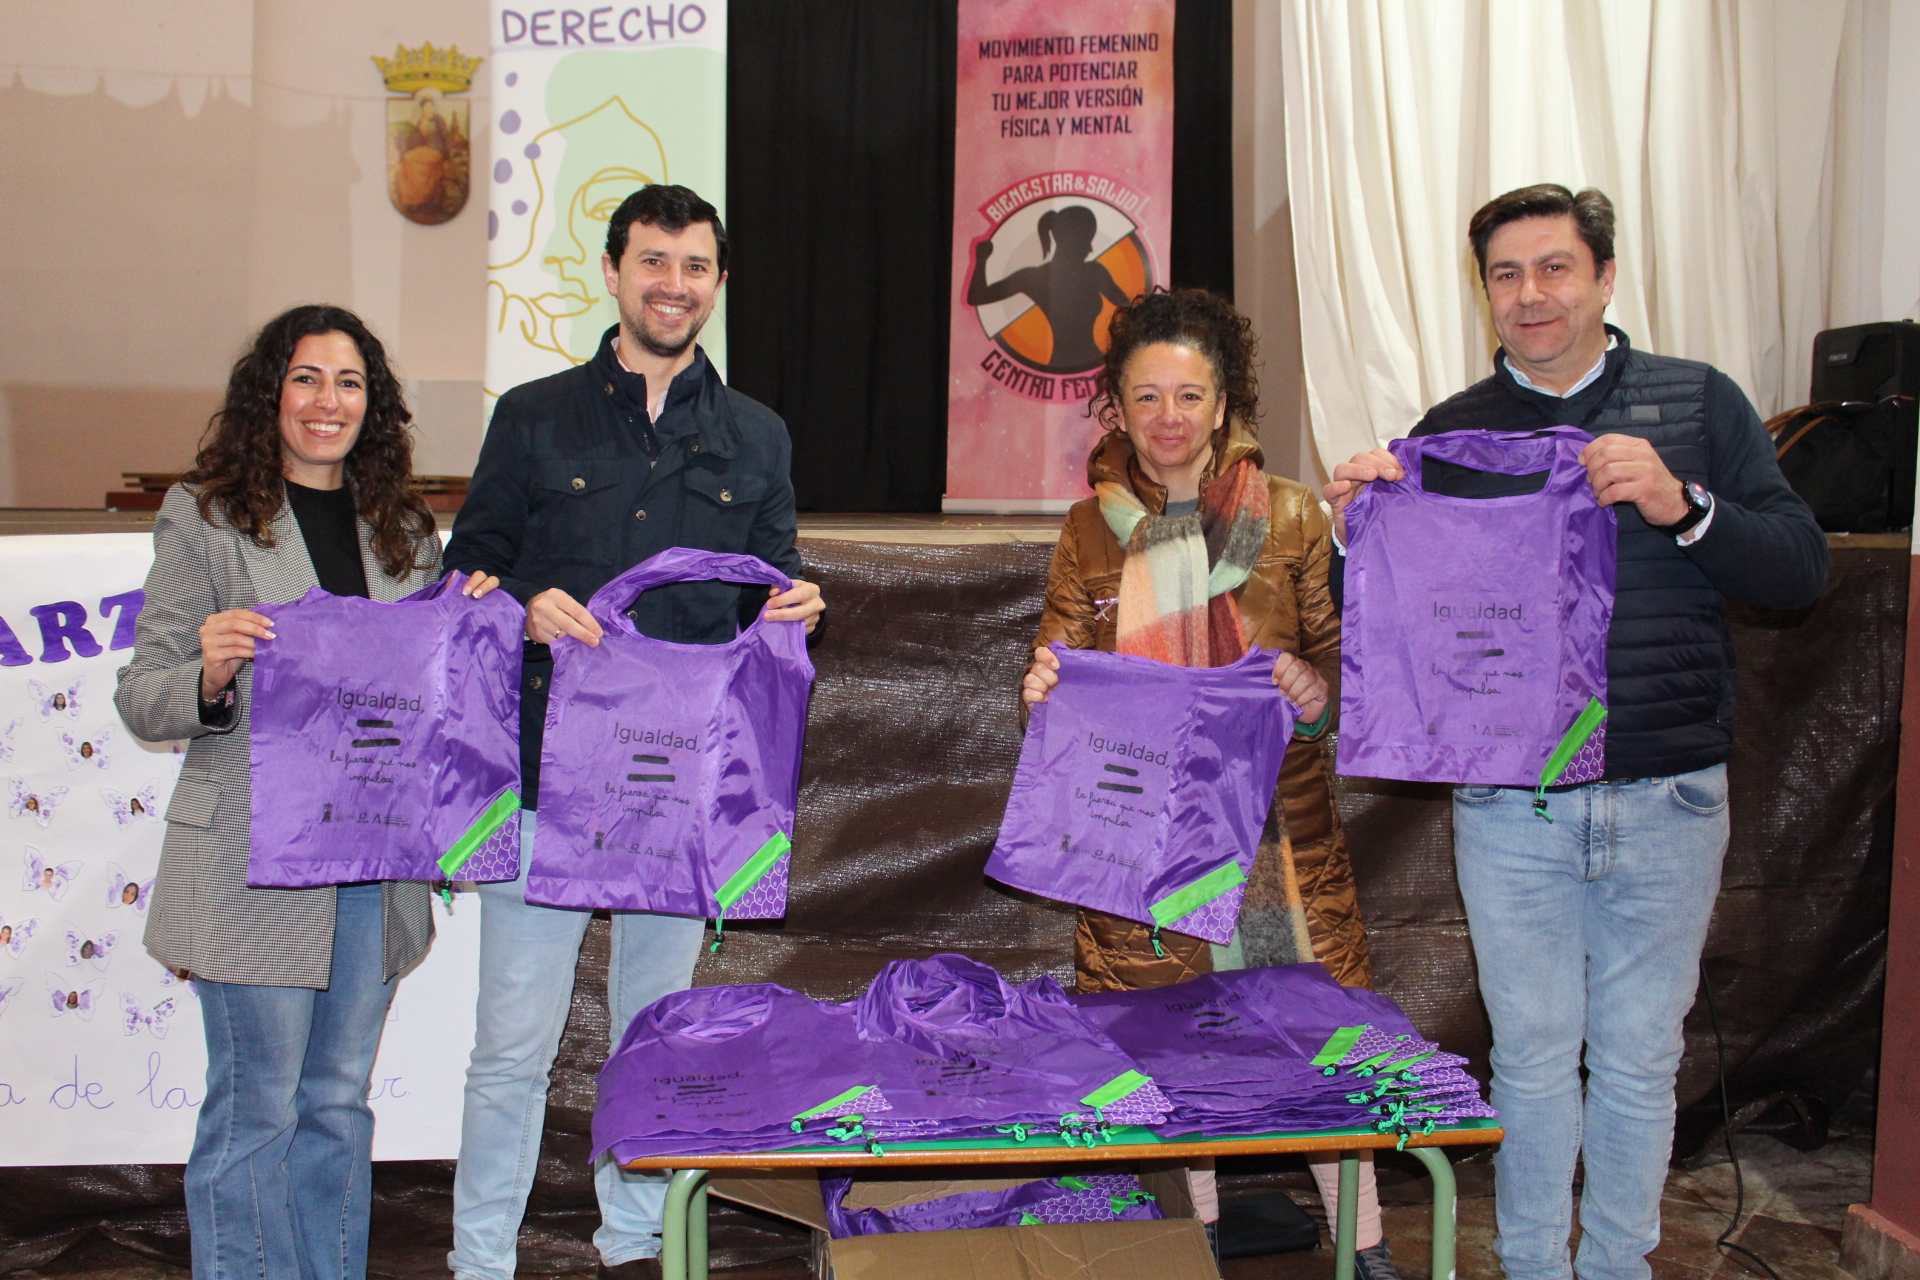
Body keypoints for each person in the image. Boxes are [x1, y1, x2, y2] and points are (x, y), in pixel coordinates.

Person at [1323, 184, 1827, 1280]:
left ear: (1604, 277)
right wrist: (1356, 537)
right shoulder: (1450, 432)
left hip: (1670, 794)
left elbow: (1800, 569)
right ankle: (1534, 1268)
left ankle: (1617, 1268)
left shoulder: (1699, 403)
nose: (1530, 294)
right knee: (1533, 1058)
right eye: (1505, 275)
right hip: (1514, 805)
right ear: (1485, 294)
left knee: (1642, 1061)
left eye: (1554, 267)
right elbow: (1394, 622)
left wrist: (1683, 505)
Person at [442, 182, 825, 1279]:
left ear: (717, 283)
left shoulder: (757, 436)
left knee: (653, 1035)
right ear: (612, 272)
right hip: (544, 777)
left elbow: (772, 584)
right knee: (512, 1045)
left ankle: (638, 1244)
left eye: (694, 265)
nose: (673, 284)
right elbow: (468, 570)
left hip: (677, 787)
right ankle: (479, 1259)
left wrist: (796, 605)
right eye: (653, 261)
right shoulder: (533, 416)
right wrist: (523, 603)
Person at [1020, 287, 1401, 1278]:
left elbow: (1343, 675)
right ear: (1116, 405)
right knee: (1162, 1048)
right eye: (1146, 397)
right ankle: (1192, 1250)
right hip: (1142, 841)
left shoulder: (1294, 516)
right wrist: (1045, 692)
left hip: (1280, 840)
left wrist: (1313, 694)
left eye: (1190, 395)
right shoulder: (1088, 530)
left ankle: (1365, 1251)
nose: (1169, 417)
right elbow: (1056, 683)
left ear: (1225, 403)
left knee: (1319, 1043)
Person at [114, 304, 497, 1280]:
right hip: (254, 863)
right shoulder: (205, 517)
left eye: (350, 382)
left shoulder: (403, 531)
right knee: (259, 1107)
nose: (329, 401)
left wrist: (473, 632)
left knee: (335, 1103)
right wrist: (208, 670)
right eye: (307, 378)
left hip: (371, 864)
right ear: (270, 395)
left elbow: (432, 695)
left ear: (374, 405)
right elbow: (145, 697)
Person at [968, 204, 1131, 373]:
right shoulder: (1036, 277)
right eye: (1085, 241)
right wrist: (981, 260)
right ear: (1066, 240)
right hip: (1071, 366)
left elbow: (1130, 308)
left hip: (1083, 366)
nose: (1090, 249)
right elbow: (977, 297)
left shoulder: (1094, 271)